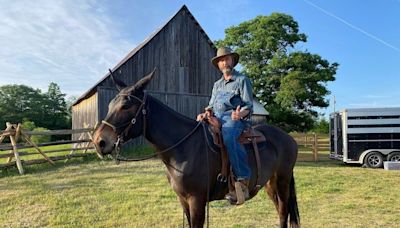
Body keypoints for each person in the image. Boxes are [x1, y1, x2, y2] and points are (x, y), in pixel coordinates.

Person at [197, 47, 253, 205]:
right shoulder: (217, 85)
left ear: (232, 61)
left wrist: (240, 114)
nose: (224, 62)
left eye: (227, 59)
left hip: (234, 118)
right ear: (218, 65)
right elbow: (211, 105)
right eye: (221, 60)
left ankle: (243, 181)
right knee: (198, 130)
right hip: (217, 117)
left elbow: (248, 105)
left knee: (228, 135)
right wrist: (206, 113)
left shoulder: (242, 80)